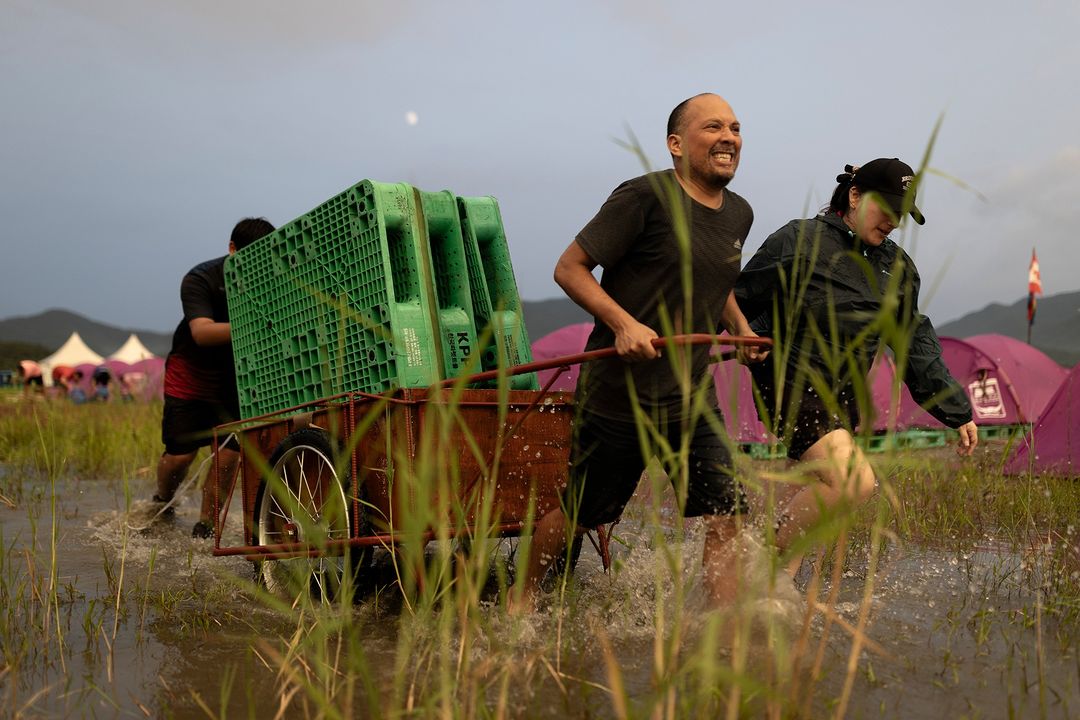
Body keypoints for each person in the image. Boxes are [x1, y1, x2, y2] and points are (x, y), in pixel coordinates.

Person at [514, 93, 764, 611]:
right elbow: (569, 268)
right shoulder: (642, 197)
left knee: (727, 511)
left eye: (736, 128)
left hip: (691, 395)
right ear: (676, 144)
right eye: (713, 127)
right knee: (584, 512)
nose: (729, 138)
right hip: (619, 396)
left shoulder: (740, 213)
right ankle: (520, 600)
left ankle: (724, 628)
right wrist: (623, 324)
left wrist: (740, 329)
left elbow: (715, 280)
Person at [735, 157, 978, 574]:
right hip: (790, 382)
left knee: (813, 491)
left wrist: (955, 409)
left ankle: (771, 590)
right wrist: (743, 337)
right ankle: (758, 560)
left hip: (842, 396)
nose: (893, 222)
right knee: (852, 482)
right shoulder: (798, 240)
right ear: (854, 196)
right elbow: (739, 299)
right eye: (887, 209)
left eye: (901, 214)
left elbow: (913, 341)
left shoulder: (896, 268)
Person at [152, 217, 275, 538]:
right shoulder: (201, 278)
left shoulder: (273, 279)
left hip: (236, 376)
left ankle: (205, 528)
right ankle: (162, 501)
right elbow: (202, 332)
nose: (257, 267)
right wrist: (256, 328)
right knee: (180, 456)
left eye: (264, 258)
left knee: (228, 455)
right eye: (251, 257)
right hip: (191, 374)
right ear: (232, 249)